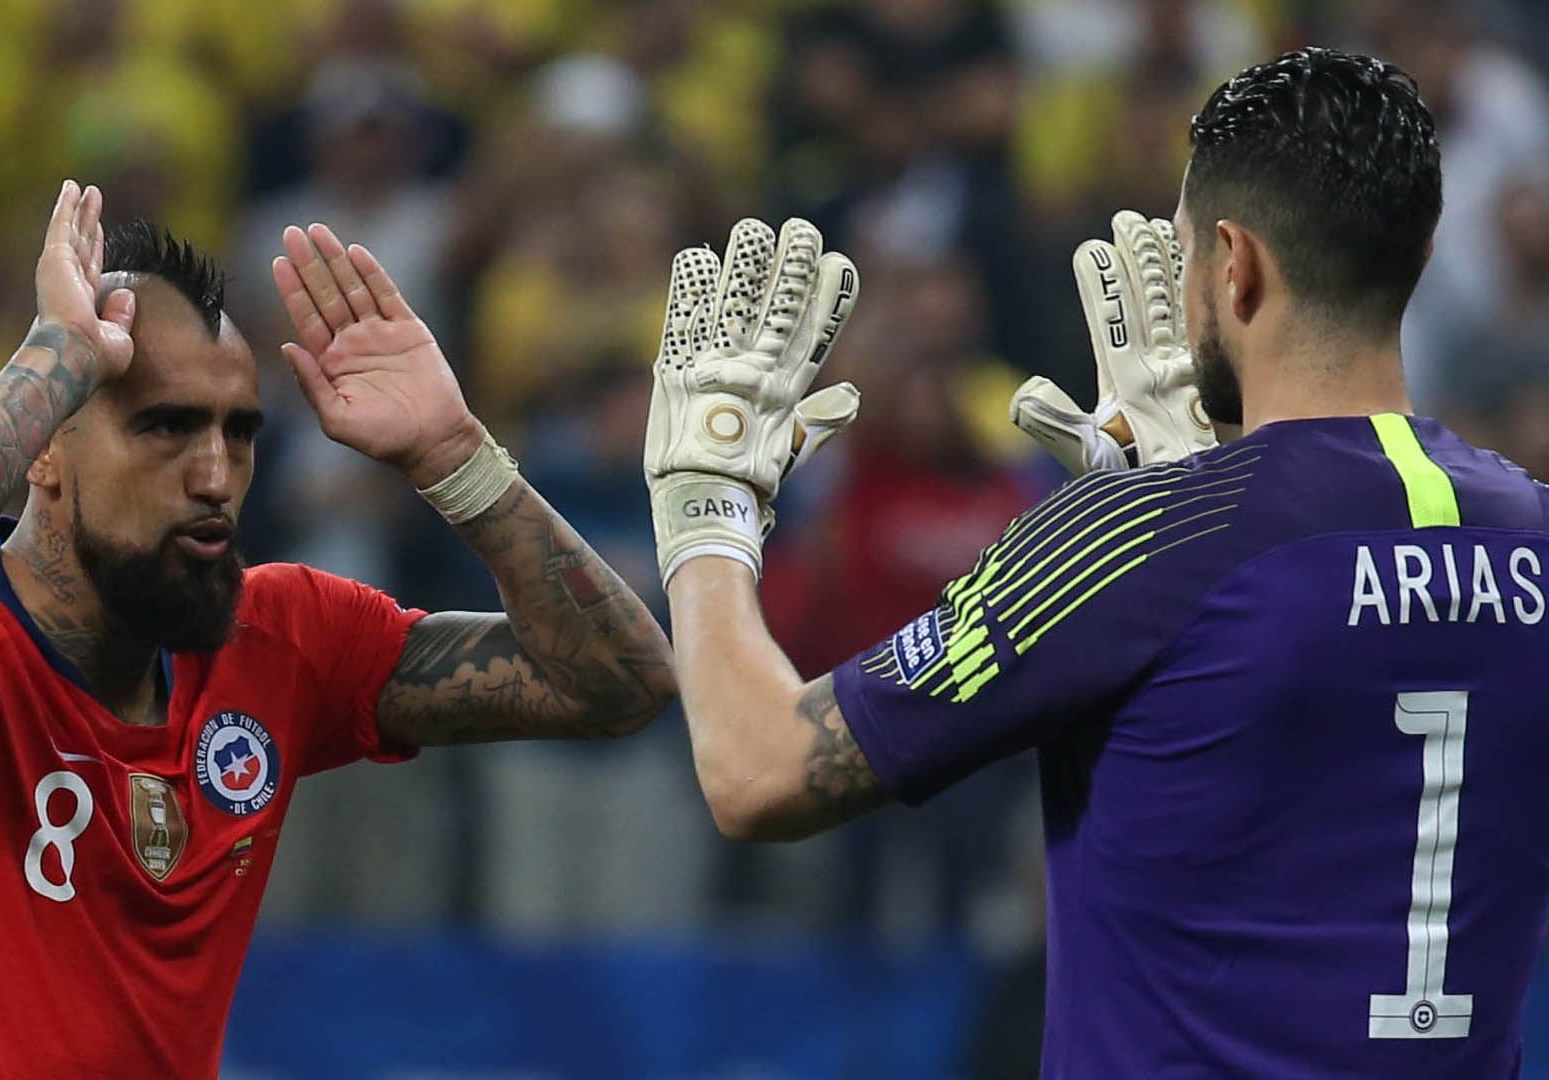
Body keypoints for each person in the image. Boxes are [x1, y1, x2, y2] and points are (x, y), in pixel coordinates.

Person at [648, 49, 1549, 1075]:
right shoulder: (1532, 533)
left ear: (1233, 264)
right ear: (1425, 251)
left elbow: (758, 768)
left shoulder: (1135, 539)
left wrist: (706, 508)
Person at [0, 180, 674, 1078]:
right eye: (166, 427)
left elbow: (616, 680)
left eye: (238, 433)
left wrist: (454, 458)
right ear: (42, 447)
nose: (214, 474)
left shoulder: (281, 638)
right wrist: (57, 355)